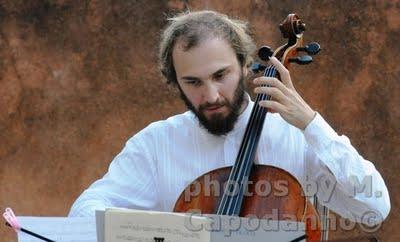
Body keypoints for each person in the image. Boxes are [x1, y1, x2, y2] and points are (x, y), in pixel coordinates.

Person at [68, 10, 390, 226]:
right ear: (175, 81)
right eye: (192, 82)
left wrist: (312, 124)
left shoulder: (296, 137)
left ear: (244, 64)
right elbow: (85, 212)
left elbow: (373, 208)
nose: (210, 95)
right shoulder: (156, 145)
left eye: (220, 75)